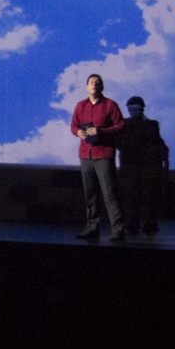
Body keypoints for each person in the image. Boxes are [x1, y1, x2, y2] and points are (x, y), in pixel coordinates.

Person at [70, 74, 126, 241]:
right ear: (87, 87)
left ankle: (118, 230)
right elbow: (74, 125)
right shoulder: (80, 105)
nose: (94, 85)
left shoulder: (110, 105)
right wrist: (78, 132)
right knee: (90, 194)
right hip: (85, 155)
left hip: (103, 155)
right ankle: (92, 227)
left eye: (98, 83)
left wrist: (101, 132)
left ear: (102, 87)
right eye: (92, 82)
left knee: (110, 193)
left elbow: (121, 126)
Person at [116, 96, 168, 235]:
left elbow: (156, 143)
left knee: (146, 196)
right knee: (131, 196)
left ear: (141, 109)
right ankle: (134, 222)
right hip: (129, 167)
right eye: (130, 109)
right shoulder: (124, 124)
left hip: (144, 167)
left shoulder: (150, 124)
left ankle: (148, 222)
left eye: (135, 109)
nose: (132, 111)